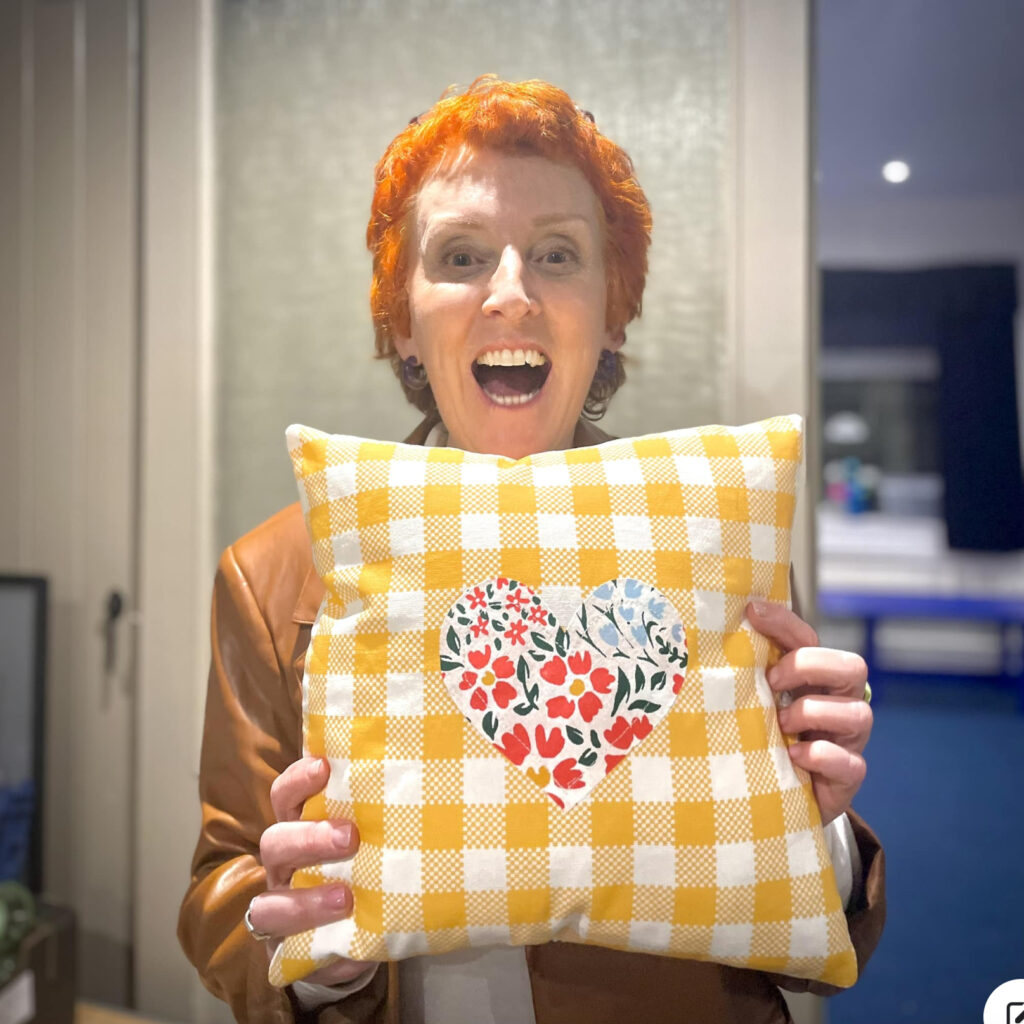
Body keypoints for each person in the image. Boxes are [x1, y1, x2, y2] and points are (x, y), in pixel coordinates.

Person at [178, 76, 884, 1024]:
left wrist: (819, 824)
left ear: (612, 309)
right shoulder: (271, 577)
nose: (511, 293)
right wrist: (312, 953)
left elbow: (810, 935)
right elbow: (220, 890)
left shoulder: (715, 546)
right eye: (462, 255)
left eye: (558, 254)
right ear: (403, 319)